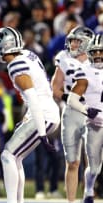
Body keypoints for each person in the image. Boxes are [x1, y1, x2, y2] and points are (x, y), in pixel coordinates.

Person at [0, 26, 60, 203]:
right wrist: (28, 117)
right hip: (45, 112)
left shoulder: (15, 65)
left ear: (5, 45)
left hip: (43, 114)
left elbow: (33, 98)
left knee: (8, 155)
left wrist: (42, 133)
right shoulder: (27, 54)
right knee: (16, 157)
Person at [50, 26, 94, 203]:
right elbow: (55, 87)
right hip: (71, 112)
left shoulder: (97, 58)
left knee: (93, 160)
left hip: (93, 112)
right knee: (73, 161)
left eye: (77, 40)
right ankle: (71, 201)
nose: (73, 43)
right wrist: (67, 97)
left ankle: (89, 193)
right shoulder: (64, 58)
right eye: (72, 40)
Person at [66, 34, 103, 203]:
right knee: (95, 168)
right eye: (94, 51)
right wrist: (86, 109)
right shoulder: (85, 72)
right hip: (95, 124)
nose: (97, 55)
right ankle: (89, 189)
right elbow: (71, 99)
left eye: (100, 51)